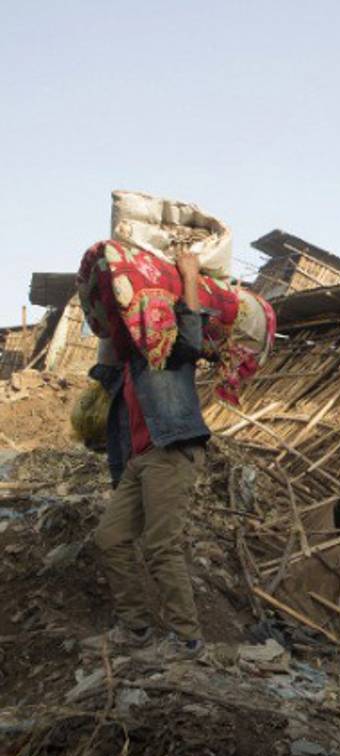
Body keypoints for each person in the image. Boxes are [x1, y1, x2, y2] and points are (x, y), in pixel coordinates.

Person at [86, 252, 212, 657]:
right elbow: (103, 359)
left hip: (171, 451)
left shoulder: (165, 350)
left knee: (161, 546)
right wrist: (105, 307)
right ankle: (137, 627)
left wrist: (189, 276)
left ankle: (186, 638)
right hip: (137, 462)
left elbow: (193, 339)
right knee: (109, 538)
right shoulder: (125, 367)